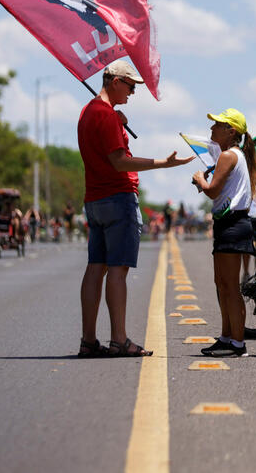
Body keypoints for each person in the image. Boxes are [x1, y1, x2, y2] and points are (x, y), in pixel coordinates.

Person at [77, 60, 193, 358]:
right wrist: (162, 163)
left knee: (95, 268)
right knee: (117, 271)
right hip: (118, 198)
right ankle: (120, 340)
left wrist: (118, 121)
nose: (132, 92)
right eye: (130, 86)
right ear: (114, 81)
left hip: (95, 199)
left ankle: (88, 340)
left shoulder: (89, 112)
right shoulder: (106, 115)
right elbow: (119, 161)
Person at [192, 108, 256, 358]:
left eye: (217, 125)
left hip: (232, 225)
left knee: (229, 287)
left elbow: (211, 191)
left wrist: (200, 179)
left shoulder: (228, 156)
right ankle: (227, 337)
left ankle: (237, 344)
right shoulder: (233, 155)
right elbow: (219, 192)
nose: (212, 129)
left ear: (231, 131)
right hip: (228, 224)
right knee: (222, 285)